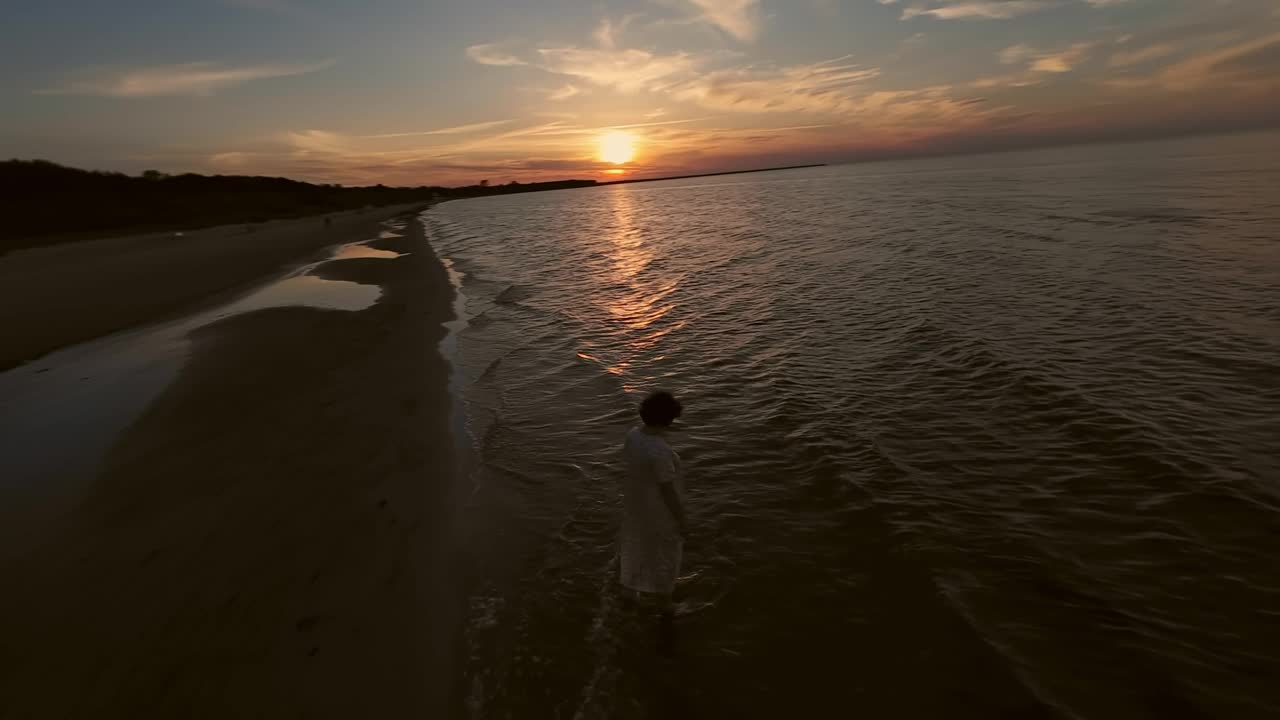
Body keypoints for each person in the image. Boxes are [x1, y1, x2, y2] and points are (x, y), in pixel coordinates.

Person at [619, 391, 687, 622]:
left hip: (635, 502)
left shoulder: (634, 434)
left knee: (637, 544)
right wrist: (681, 519)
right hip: (657, 510)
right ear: (667, 419)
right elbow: (667, 491)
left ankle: (629, 589)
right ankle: (665, 604)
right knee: (665, 553)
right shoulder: (659, 450)